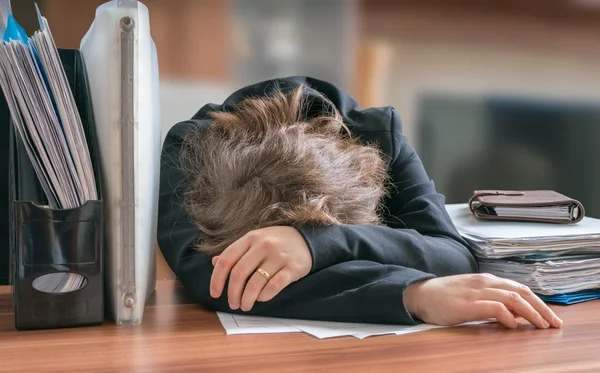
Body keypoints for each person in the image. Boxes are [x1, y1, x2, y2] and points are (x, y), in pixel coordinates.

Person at [157, 76, 562, 330]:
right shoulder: (189, 148)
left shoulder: (377, 134)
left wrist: (323, 244)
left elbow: (453, 256)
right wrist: (412, 294)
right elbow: (216, 280)